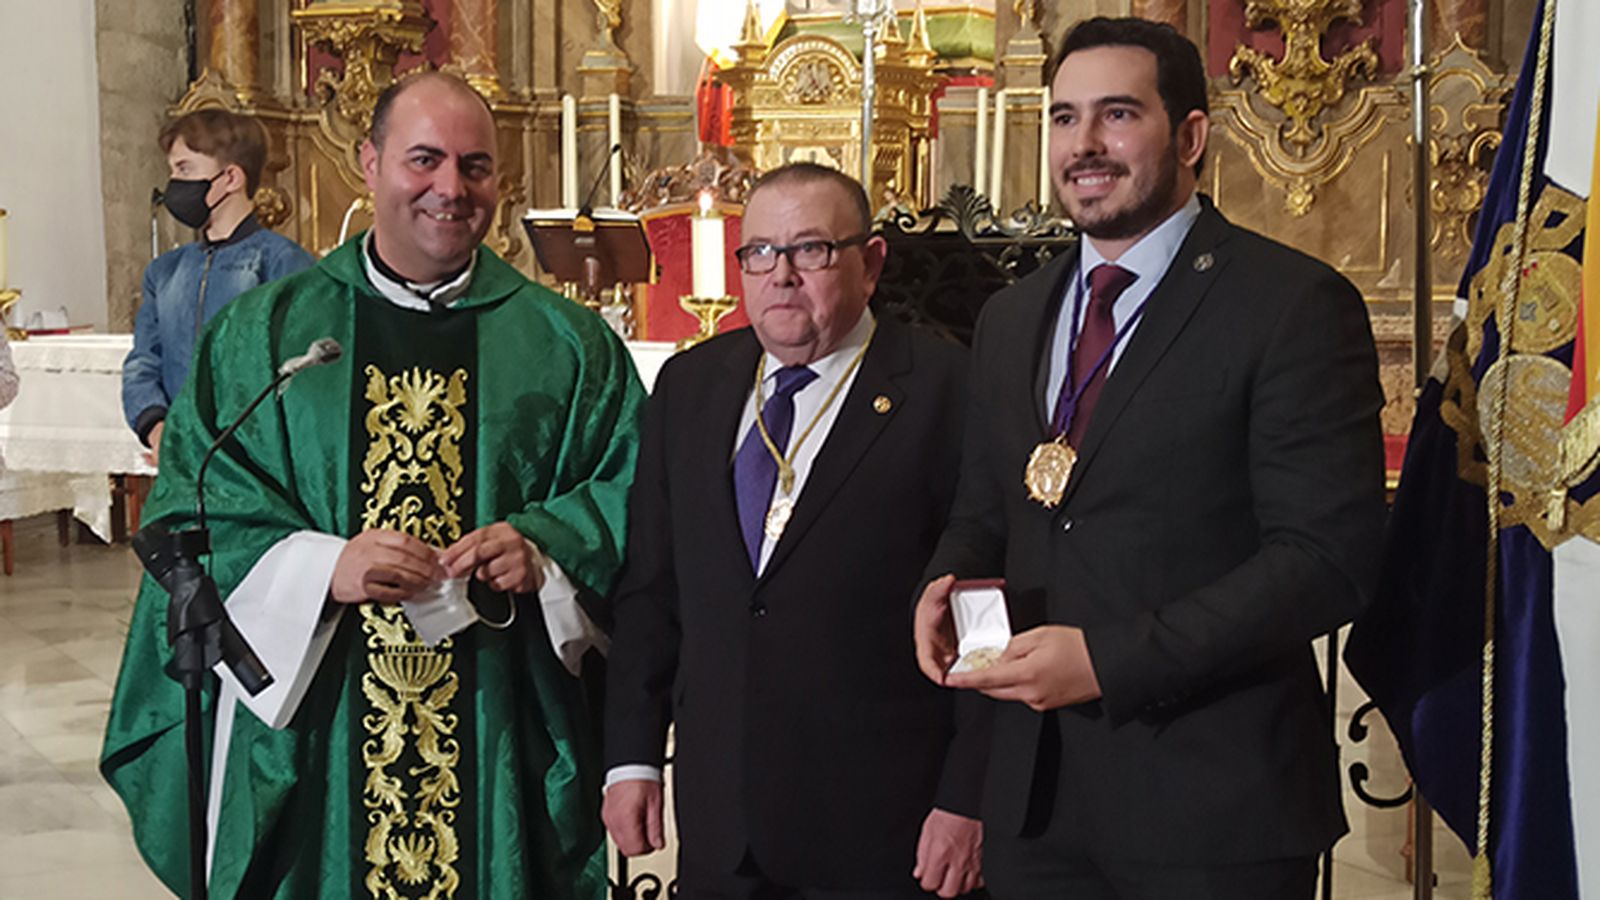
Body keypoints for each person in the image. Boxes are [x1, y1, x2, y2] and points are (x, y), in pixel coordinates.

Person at [101, 72, 645, 899]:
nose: (450, 190)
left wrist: (546, 549)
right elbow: (193, 513)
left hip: (502, 721)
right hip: (321, 731)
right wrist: (320, 568)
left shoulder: (567, 347)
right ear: (368, 162)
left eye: (475, 166)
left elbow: (634, 498)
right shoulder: (268, 334)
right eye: (422, 160)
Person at [912, 17, 1386, 900]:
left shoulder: (1290, 305)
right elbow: (989, 509)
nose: (1084, 144)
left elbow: (1326, 561)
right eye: (1063, 117)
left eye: (1118, 114)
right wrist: (948, 581)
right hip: (1037, 805)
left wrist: (1110, 660)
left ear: (1192, 136)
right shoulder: (1012, 318)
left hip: (1210, 807)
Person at [604, 163, 988, 899]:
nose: (780, 276)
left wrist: (968, 798)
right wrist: (633, 759)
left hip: (884, 828)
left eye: (811, 250)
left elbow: (978, 616)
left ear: (871, 263)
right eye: (760, 253)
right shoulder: (690, 386)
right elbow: (651, 590)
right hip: (722, 825)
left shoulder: (948, 391)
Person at [121, 108, 314, 465]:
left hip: (257, 464)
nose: (173, 184)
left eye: (184, 169)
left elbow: (300, 371)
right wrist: (159, 429)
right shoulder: (164, 271)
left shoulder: (282, 263)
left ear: (231, 178)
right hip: (180, 461)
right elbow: (143, 363)